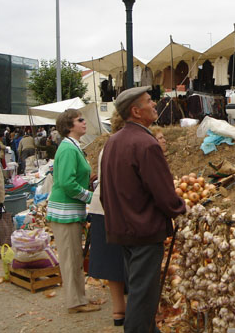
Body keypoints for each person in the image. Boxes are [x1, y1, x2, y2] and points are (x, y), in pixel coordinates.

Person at [101, 87, 186, 333]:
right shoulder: (146, 144)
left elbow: (105, 190)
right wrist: (179, 208)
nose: (154, 105)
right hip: (144, 230)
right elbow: (162, 191)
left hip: (122, 228)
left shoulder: (113, 142)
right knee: (143, 295)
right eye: (149, 102)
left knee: (140, 287)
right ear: (136, 111)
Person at [45, 109, 100, 314]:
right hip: (64, 212)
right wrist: (90, 196)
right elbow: (67, 183)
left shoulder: (73, 147)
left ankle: (80, 298)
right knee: (70, 258)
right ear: (69, 126)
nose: (84, 122)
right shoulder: (69, 149)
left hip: (70, 211)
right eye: (80, 120)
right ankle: (75, 302)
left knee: (75, 257)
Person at [87, 109, 127, 327]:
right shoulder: (124, 144)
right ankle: (126, 310)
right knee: (124, 259)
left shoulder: (107, 146)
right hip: (116, 208)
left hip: (101, 206)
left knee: (113, 262)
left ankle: (118, 310)